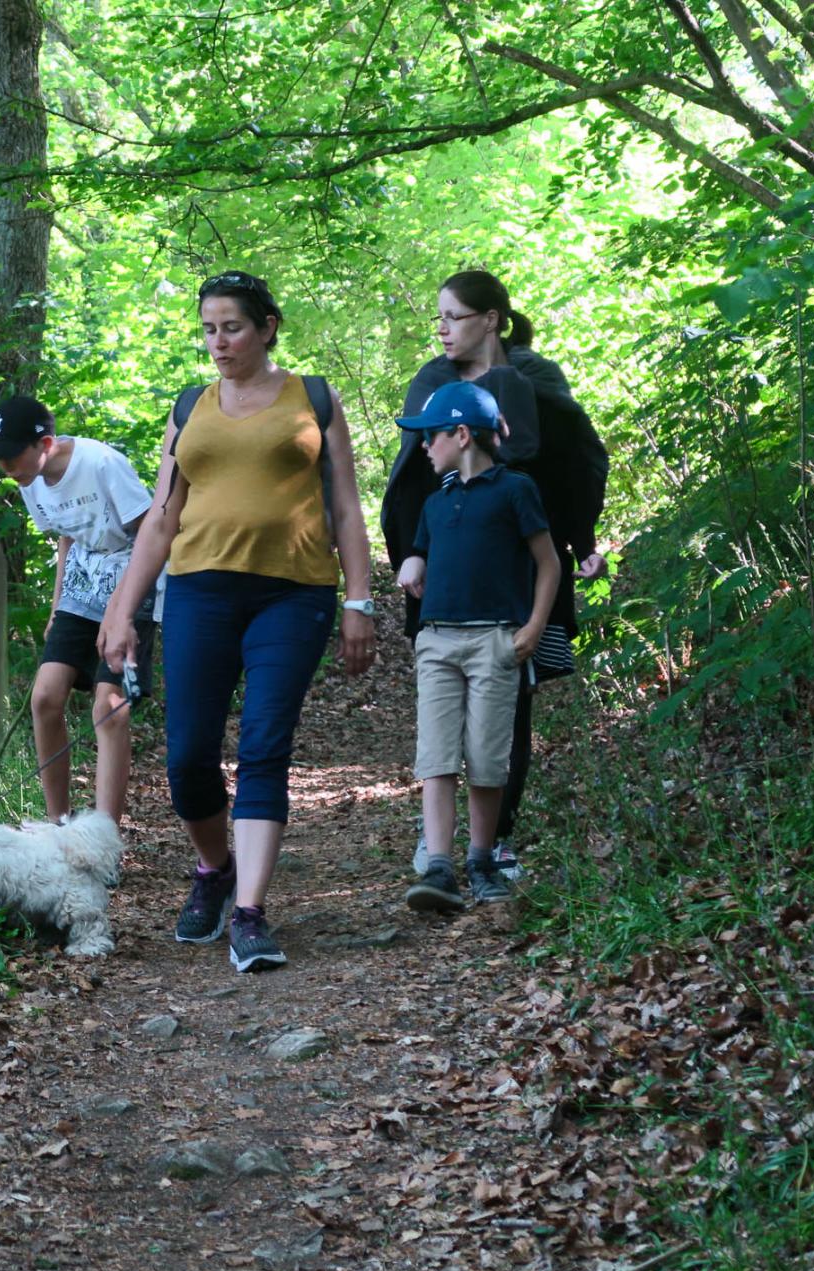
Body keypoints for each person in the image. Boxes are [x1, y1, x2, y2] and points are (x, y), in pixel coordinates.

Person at [99, 270, 376, 973]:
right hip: (198, 591)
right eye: (209, 328)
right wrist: (123, 609)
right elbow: (162, 518)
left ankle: (249, 912)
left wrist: (359, 600)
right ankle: (215, 867)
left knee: (263, 746)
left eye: (233, 327)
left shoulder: (312, 397)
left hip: (295, 594)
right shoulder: (190, 405)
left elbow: (345, 506)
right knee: (189, 754)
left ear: (267, 326)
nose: (219, 342)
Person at [380, 270, 607, 878]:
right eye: (439, 318)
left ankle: (494, 839)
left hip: (524, 571)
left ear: (491, 319)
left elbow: (573, 462)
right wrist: (410, 554)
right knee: (444, 712)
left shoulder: (535, 378)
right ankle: (440, 846)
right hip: (449, 570)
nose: (442, 329)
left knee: (511, 707)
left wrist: (582, 541)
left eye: (453, 316)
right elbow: (410, 478)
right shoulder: (433, 382)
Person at [392, 381, 559, 911]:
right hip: (437, 640)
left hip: (494, 638)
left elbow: (548, 563)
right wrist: (413, 562)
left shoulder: (516, 489)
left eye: (431, 436)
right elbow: (421, 550)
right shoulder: (435, 501)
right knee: (436, 758)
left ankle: (481, 859)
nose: (424, 446)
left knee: (487, 758)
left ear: (462, 434)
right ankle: (439, 867)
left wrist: (532, 627)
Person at [0, 394, 160, 826]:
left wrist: (120, 610)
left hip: (135, 573)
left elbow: (150, 533)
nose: (5, 467)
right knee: (44, 697)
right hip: (84, 577)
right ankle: (59, 827)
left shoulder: (100, 464)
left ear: (45, 445)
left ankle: (103, 840)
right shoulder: (30, 481)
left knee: (108, 706)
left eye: (10, 455)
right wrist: (58, 606)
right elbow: (67, 536)